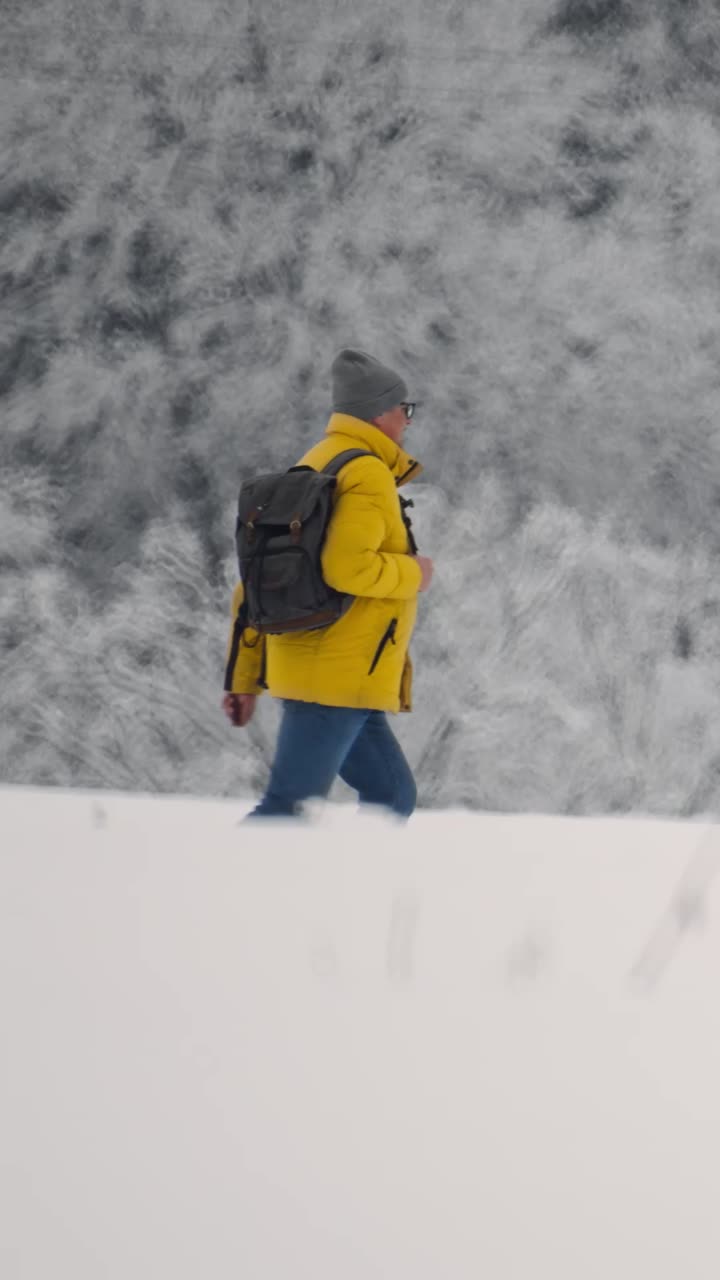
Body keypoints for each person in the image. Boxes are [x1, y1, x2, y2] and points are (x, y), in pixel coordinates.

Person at [222, 348, 433, 820]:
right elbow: (348, 568)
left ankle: (350, 890)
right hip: (337, 677)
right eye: (406, 410)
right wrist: (414, 574)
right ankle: (215, 883)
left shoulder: (315, 462)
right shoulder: (368, 474)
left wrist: (243, 677)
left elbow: (253, 585)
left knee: (392, 796)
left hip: (329, 671)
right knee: (288, 809)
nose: (408, 422)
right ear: (380, 413)